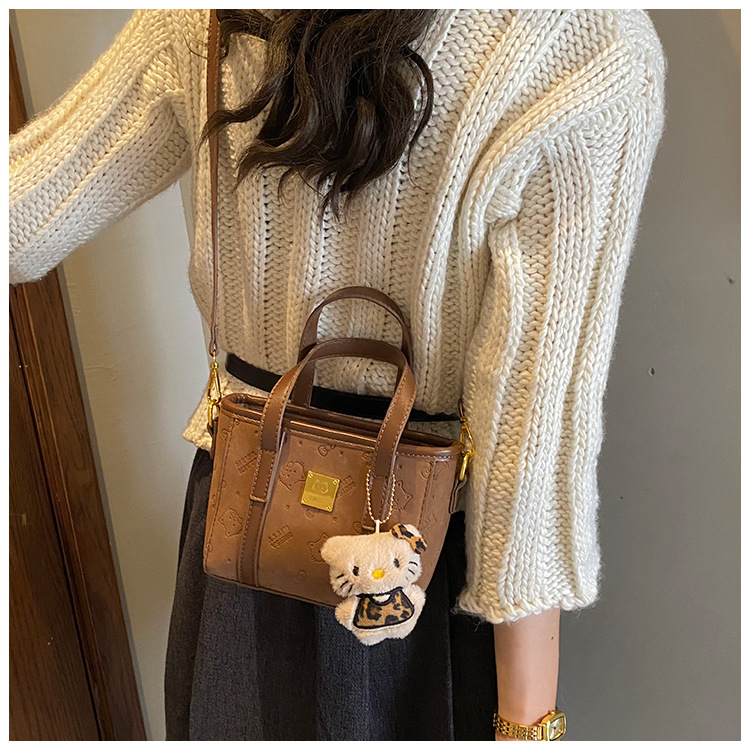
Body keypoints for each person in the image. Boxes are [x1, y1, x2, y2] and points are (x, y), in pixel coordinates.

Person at [9, 9, 666, 741]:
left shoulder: (204, 18)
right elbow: (529, 438)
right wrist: (527, 726)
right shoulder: (586, 46)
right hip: (415, 561)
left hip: (252, 519)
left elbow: (20, 217)